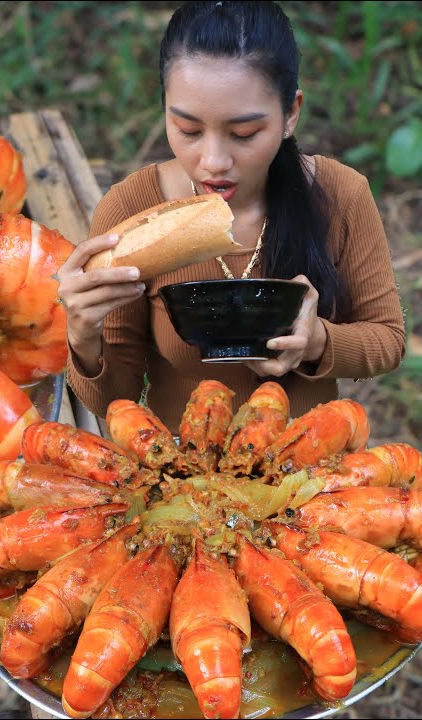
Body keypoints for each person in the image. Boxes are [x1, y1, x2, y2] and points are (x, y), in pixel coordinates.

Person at [59, 0, 405, 430]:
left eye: (244, 133)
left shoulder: (340, 194)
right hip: (179, 477)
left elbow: (388, 341)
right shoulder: (132, 209)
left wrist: (318, 341)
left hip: (310, 474)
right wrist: (82, 336)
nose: (213, 161)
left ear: (291, 113)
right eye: (188, 130)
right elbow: (115, 400)